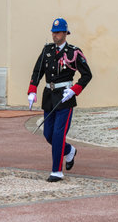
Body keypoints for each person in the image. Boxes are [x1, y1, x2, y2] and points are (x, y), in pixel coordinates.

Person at [28, 18, 92, 182]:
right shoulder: (47, 50)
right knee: (48, 134)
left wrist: (74, 90)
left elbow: (87, 75)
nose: (54, 35)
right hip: (49, 96)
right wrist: (32, 90)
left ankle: (56, 171)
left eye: (58, 32)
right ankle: (69, 151)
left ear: (65, 33)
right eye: (53, 32)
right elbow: (38, 71)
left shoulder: (74, 52)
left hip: (65, 97)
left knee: (58, 135)